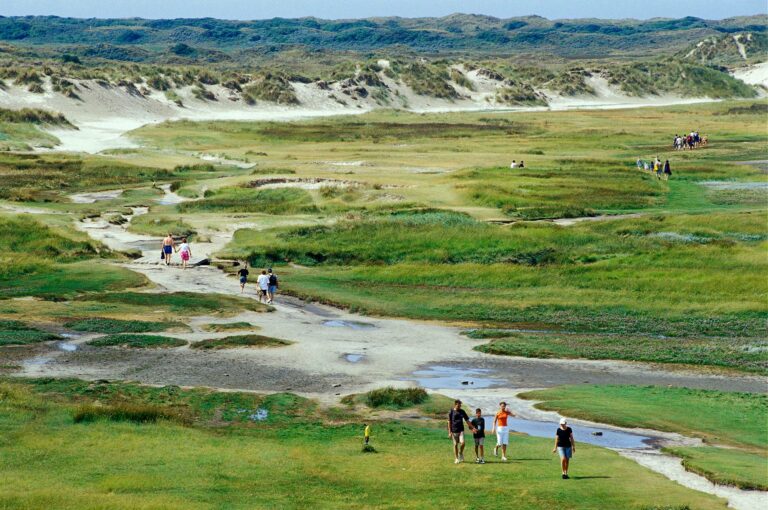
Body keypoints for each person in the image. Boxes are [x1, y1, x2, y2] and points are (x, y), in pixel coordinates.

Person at [448, 400, 477, 464]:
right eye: (458, 405)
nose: (460, 406)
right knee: (455, 444)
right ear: (455, 404)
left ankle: (460, 453)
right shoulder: (451, 411)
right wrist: (449, 432)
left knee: (463, 443)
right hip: (454, 431)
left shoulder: (462, 411)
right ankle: (456, 458)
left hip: (461, 430)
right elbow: (449, 422)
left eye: (460, 405)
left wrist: (473, 428)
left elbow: (467, 421)